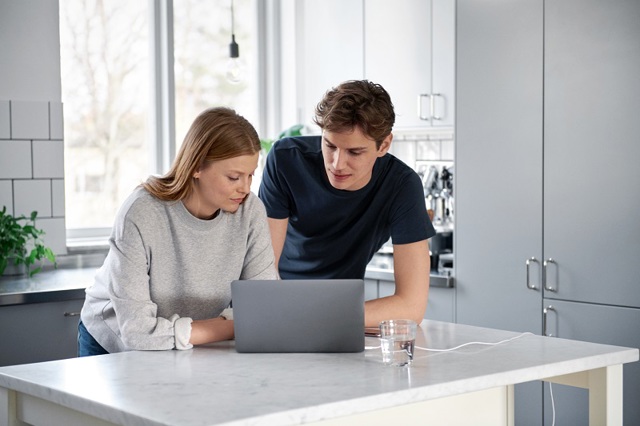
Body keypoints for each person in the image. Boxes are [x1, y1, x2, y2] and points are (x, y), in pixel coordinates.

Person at [78, 107, 277, 356]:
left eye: (250, 176)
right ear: (196, 167)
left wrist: (218, 328)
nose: (246, 188)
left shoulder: (249, 211)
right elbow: (138, 331)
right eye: (234, 177)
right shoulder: (141, 212)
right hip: (113, 340)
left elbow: (264, 305)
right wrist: (231, 327)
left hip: (193, 338)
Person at [259, 80, 436, 327]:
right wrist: (282, 314)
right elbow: (262, 273)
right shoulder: (285, 160)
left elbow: (412, 307)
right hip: (280, 308)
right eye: (329, 146)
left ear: (383, 145)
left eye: (354, 152)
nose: (337, 163)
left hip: (338, 314)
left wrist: (314, 317)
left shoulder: (402, 185)